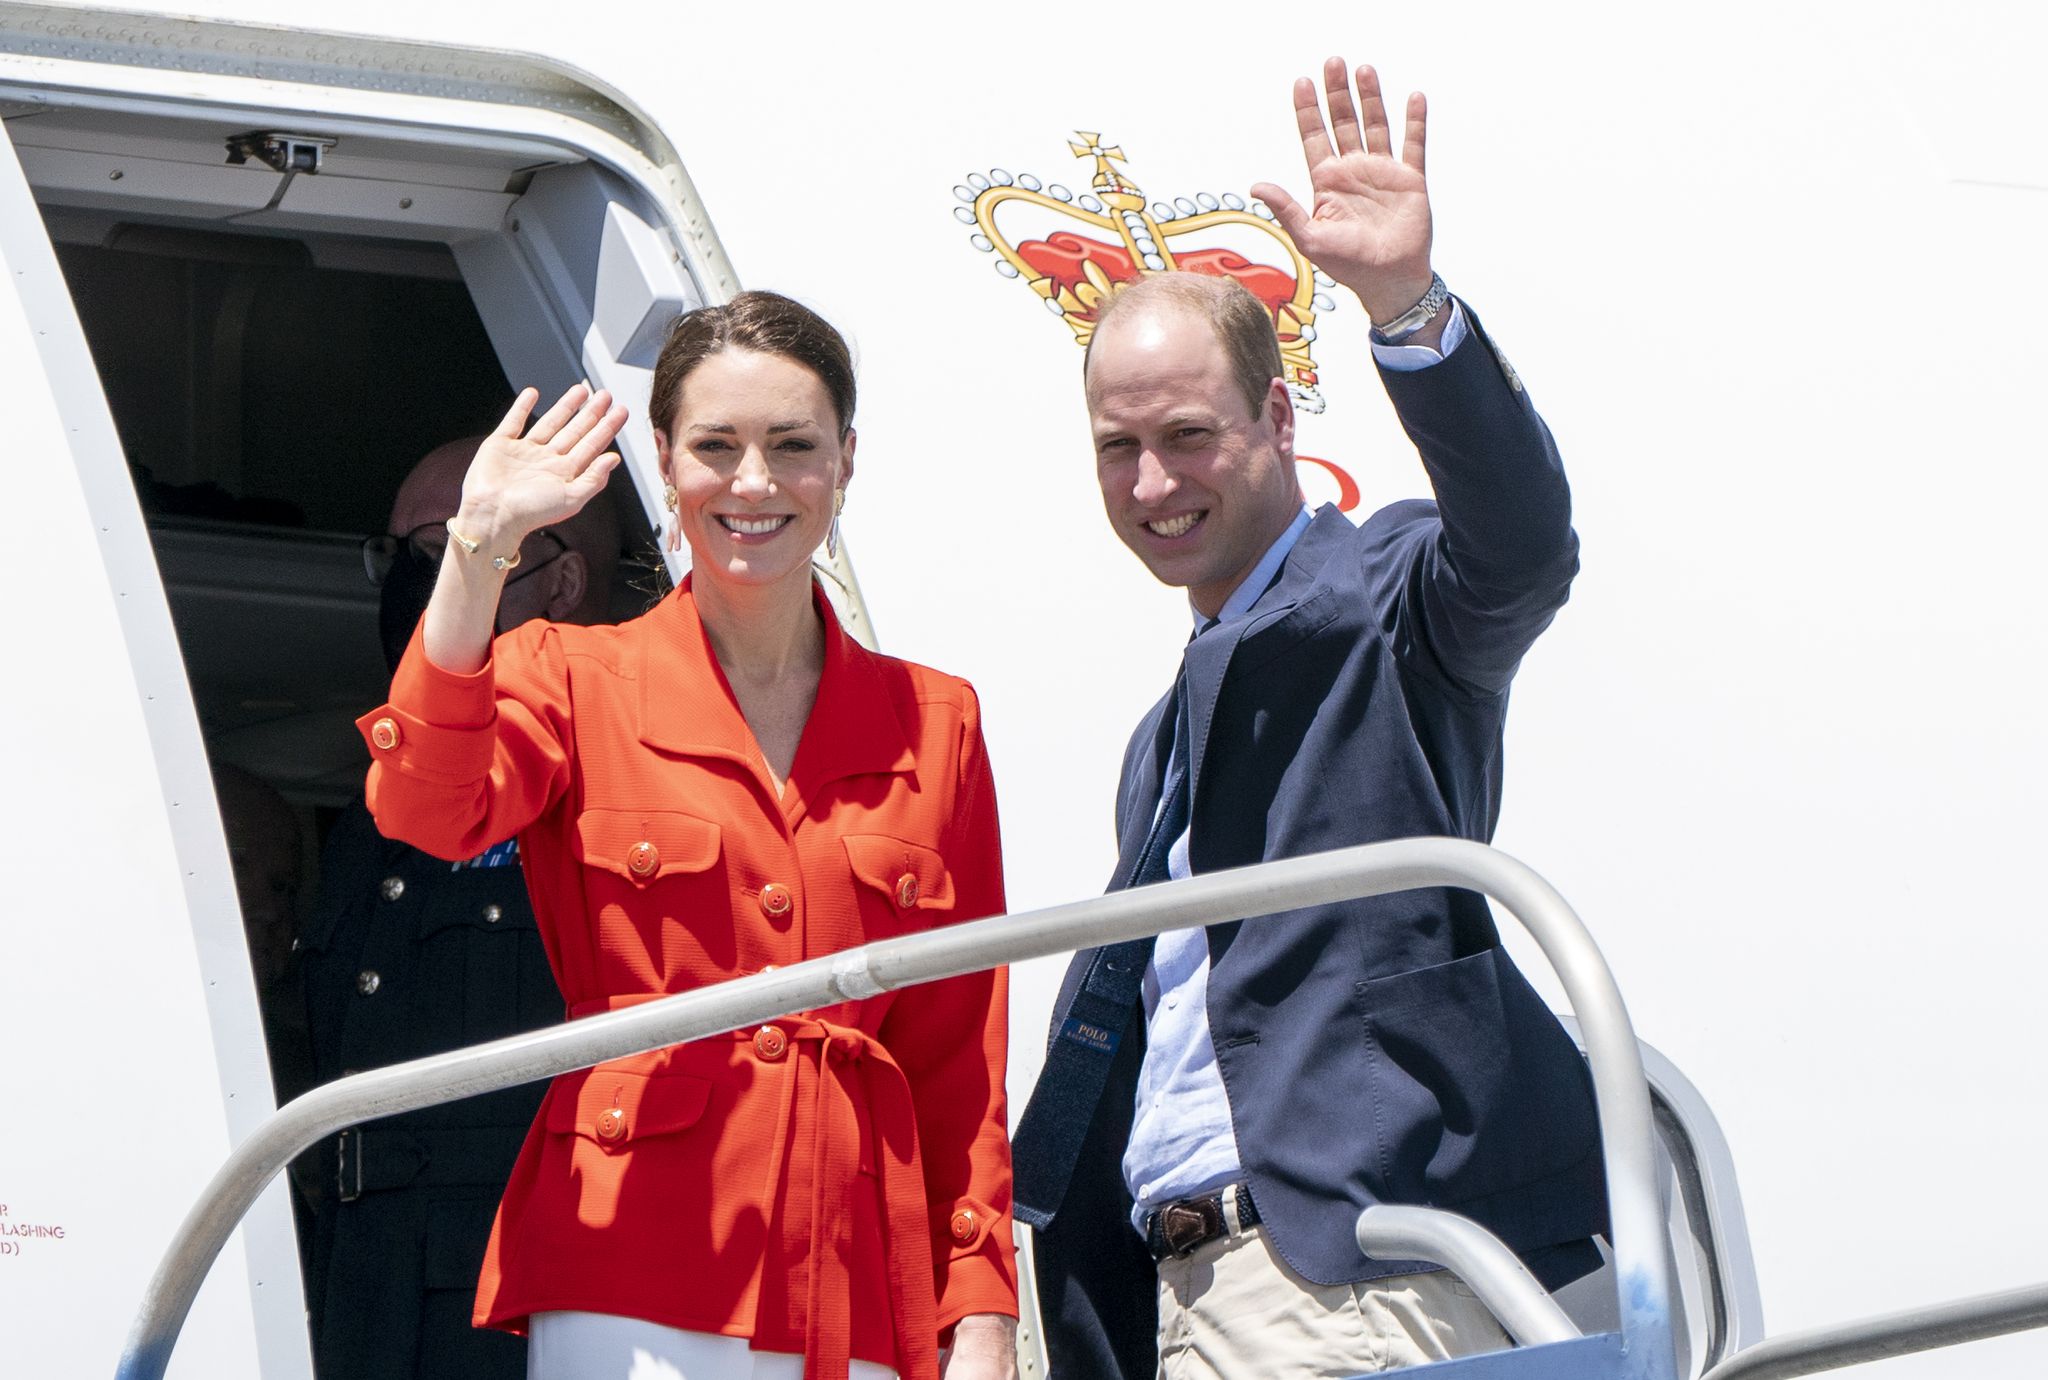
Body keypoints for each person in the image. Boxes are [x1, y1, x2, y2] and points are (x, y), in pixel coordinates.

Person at [1011, 60, 1607, 1378]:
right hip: (1174, 1289)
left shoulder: (1383, 599)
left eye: (1187, 435)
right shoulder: (1161, 739)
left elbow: (1520, 547)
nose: (1153, 482)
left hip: (1340, 1273)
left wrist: (1406, 308)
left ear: (1279, 418)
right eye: (1119, 448)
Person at [356, 291, 1019, 1380]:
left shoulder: (935, 722)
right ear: (664, 462)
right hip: (630, 1262)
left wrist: (980, 1309)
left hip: (853, 1271)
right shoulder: (567, 676)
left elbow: (957, 1062)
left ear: (844, 461)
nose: (753, 482)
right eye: (716, 446)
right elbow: (423, 808)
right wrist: (475, 552)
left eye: (792, 446)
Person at [296, 436, 621, 1380]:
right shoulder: (370, 813)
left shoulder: (617, 777)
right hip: (361, 1290)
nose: (414, 585)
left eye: (444, 553)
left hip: (509, 1296)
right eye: (398, 556)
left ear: (561, 587)